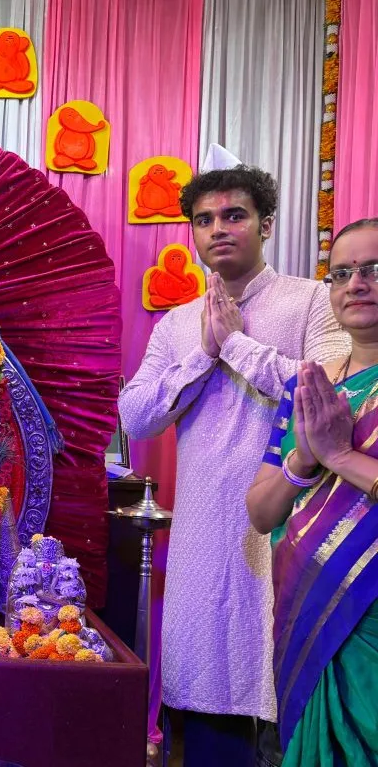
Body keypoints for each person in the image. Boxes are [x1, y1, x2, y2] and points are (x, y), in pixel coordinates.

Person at [117, 148, 349, 766]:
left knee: (290, 691)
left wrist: (237, 346)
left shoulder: (313, 302)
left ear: (266, 224)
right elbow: (135, 415)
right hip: (200, 541)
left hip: (294, 527)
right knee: (206, 715)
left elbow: (328, 394)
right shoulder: (176, 325)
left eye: (235, 215)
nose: (218, 228)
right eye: (204, 219)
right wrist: (202, 355)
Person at [247, 218, 378, 765]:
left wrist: (342, 457)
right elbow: (259, 510)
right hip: (306, 610)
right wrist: (304, 457)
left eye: (374, 269)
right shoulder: (310, 386)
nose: (356, 284)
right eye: (341, 272)